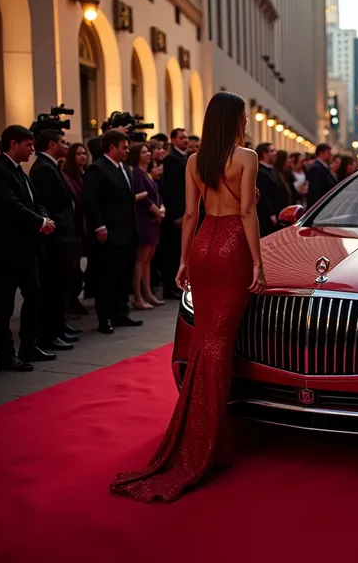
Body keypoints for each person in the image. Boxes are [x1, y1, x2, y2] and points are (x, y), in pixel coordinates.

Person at [110, 91, 266, 503]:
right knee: (219, 344)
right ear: (234, 120)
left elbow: (191, 215)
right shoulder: (246, 158)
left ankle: (202, 434)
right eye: (244, 117)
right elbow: (248, 212)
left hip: (202, 246)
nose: (246, 123)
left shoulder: (197, 161)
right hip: (232, 247)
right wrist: (257, 263)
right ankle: (205, 444)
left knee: (205, 343)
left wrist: (182, 262)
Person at [0, 126, 56, 371]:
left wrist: (44, 218)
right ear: (13, 144)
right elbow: (10, 205)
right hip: (7, 250)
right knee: (4, 305)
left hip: (27, 248)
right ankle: (6, 354)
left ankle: (28, 346)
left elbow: (35, 201)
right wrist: (39, 222)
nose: (32, 149)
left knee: (34, 295)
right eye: (28, 145)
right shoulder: (0, 171)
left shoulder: (20, 171)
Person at [82, 130, 143, 335]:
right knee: (107, 276)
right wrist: (99, 226)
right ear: (112, 148)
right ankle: (105, 317)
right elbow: (91, 201)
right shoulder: (97, 170)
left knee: (123, 274)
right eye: (124, 148)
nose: (127, 151)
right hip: (109, 232)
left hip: (126, 230)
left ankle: (120, 312)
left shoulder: (124, 168)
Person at [29, 130, 80, 352]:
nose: (66, 145)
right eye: (62, 142)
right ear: (51, 144)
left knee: (62, 286)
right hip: (57, 238)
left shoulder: (51, 166)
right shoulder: (43, 168)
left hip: (65, 235)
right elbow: (48, 204)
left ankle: (59, 327)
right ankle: (50, 334)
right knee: (53, 287)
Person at [128, 143, 165, 309]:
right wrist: (157, 211)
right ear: (137, 155)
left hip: (153, 218)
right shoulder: (137, 173)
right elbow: (143, 198)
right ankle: (138, 296)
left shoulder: (147, 174)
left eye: (148, 151)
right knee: (141, 259)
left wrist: (162, 209)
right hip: (145, 219)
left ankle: (148, 292)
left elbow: (156, 195)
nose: (148, 154)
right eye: (144, 152)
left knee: (148, 259)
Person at [159, 128, 189, 300]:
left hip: (186, 210)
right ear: (173, 140)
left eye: (186, 137)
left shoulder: (184, 157)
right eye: (182, 138)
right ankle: (170, 287)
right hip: (177, 213)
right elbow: (172, 190)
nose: (185, 140)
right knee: (172, 252)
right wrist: (178, 214)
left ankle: (179, 284)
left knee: (180, 252)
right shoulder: (171, 159)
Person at [62, 142, 89, 316]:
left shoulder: (83, 175)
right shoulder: (68, 176)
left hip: (83, 226)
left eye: (84, 153)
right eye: (78, 154)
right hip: (74, 227)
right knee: (73, 269)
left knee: (77, 269)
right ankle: (70, 302)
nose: (82, 157)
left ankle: (74, 300)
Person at [255, 142, 281, 236]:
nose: (275, 153)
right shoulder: (261, 172)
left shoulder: (271, 170)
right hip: (267, 219)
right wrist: (272, 214)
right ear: (264, 154)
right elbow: (263, 196)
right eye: (272, 151)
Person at [307, 143, 337, 207]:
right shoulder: (316, 168)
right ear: (321, 153)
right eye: (328, 153)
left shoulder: (322, 166)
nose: (330, 156)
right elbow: (315, 192)